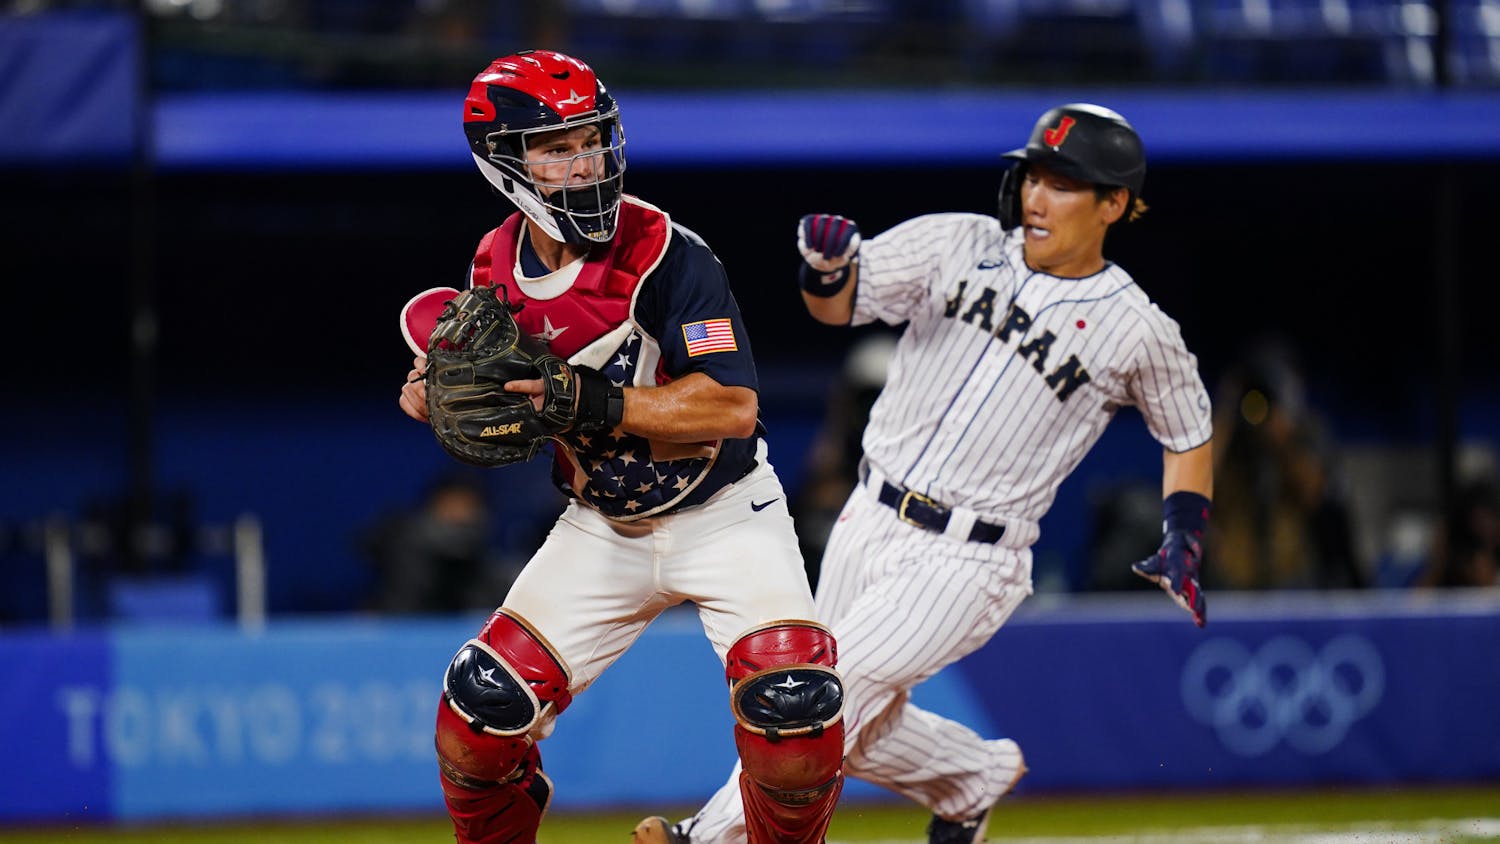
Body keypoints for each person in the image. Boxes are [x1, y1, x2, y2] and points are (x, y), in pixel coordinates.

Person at [633, 104, 1214, 844]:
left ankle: (699, 839)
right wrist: (825, 268)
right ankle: (969, 776)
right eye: (1034, 173)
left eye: (1065, 183)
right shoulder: (958, 242)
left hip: (971, 555)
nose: (1037, 195)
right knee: (859, 732)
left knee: (815, 698)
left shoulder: (1137, 326)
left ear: (1116, 205)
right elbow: (838, 306)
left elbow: (1189, 428)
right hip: (868, 514)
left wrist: (1184, 530)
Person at [397, 50, 846, 844]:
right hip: (602, 523)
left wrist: (588, 398)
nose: (582, 164)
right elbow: (490, 379)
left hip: (726, 512)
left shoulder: (669, 253)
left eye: (591, 141)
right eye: (555, 148)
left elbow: (733, 406)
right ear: (504, 161)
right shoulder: (491, 265)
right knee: (477, 714)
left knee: (794, 710)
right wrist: (438, 390)